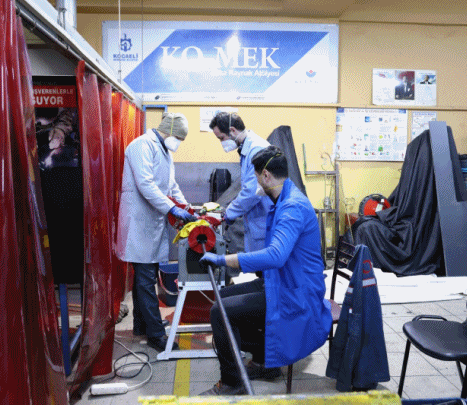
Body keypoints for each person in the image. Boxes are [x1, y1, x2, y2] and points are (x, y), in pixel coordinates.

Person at [197, 146, 333, 395]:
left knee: (220, 312)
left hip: (295, 291)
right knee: (223, 297)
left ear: (267, 176)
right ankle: (263, 362)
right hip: (282, 281)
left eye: (256, 177)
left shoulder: (292, 208)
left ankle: (232, 383)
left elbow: (275, 255)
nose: (256, 183)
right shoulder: (283, 199)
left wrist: (223, 260)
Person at [117, 112, 196, 352]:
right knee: (145, 279)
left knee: (145, 277)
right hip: (139, 223)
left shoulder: (165, 151)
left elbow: (171, 186)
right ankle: (155, 335)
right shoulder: (141, 145)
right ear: (170, 131)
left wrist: (186, 207)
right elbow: (146, 184)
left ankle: (141, 325)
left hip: (151, 222)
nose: (178, 143)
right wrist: (172, 208)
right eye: (179, 138)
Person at [209, 112, 272, 254]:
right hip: (257, 220)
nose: (222, 143)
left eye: (221, 138)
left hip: (264, 220)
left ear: (232, 130)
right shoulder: (247, 149)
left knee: (262, 262)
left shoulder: (256, 149)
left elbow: (252, 192)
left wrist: (228, 214)